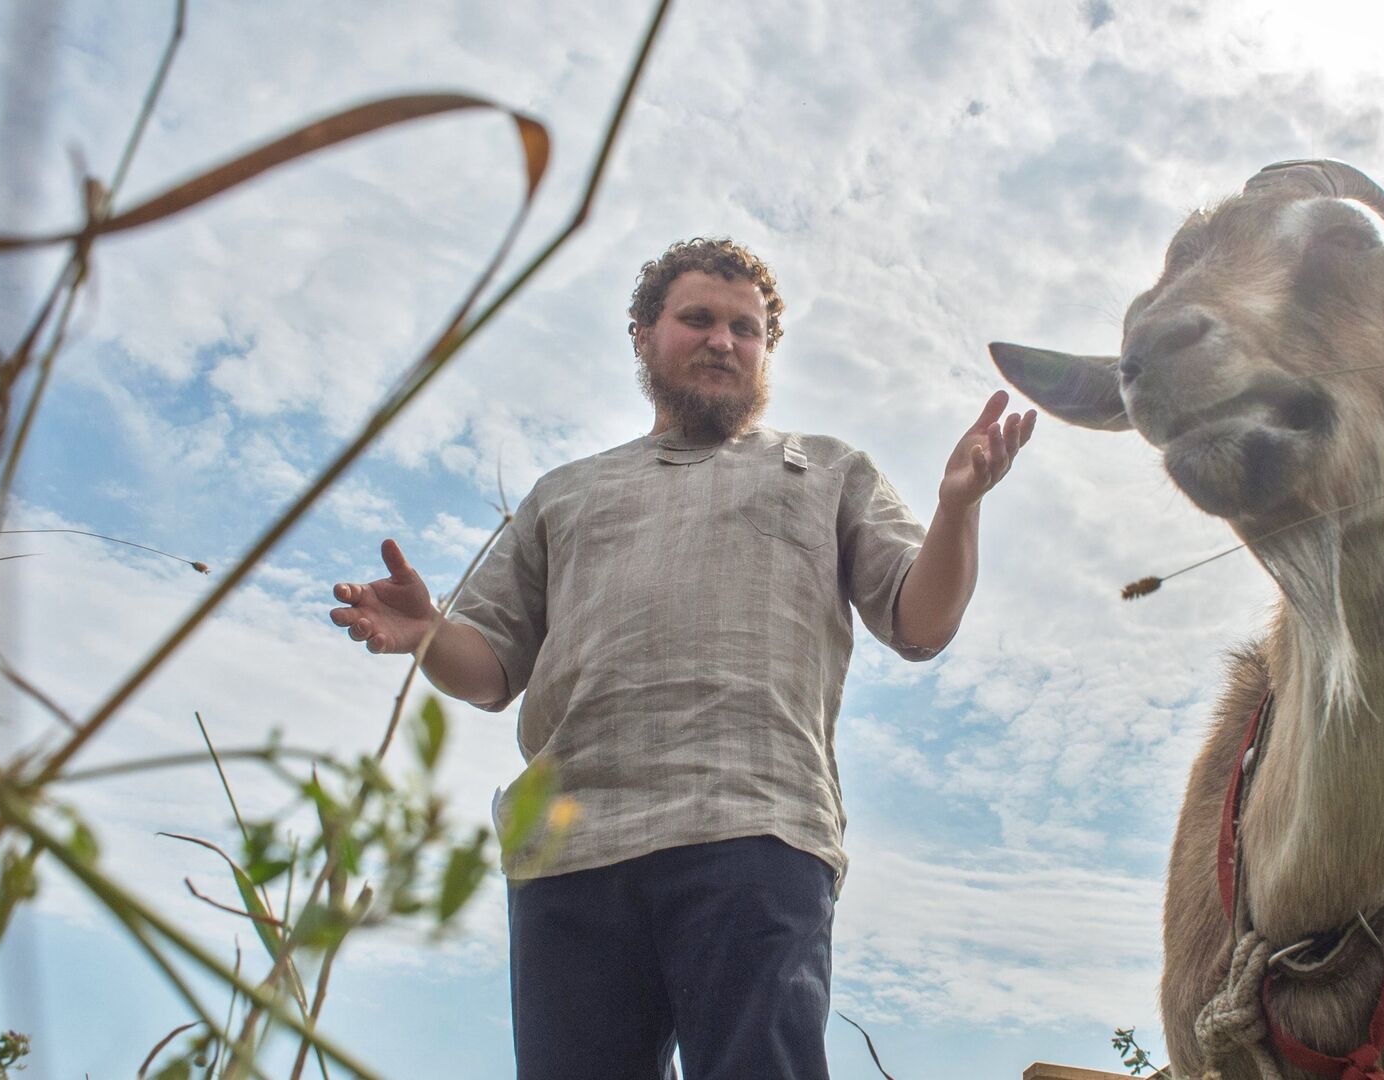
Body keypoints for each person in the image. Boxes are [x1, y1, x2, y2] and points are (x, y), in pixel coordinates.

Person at [329, 237, 1033, 1079]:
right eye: (696, 318)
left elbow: (922, 622)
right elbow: (489, 673)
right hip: (571, 847)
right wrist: (431, 632)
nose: (722, 341)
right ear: (641, 335)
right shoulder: (568, 493)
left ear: (768, 349)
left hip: (755, 827)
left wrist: (958, 508)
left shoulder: (828, 471)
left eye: (747, 327)